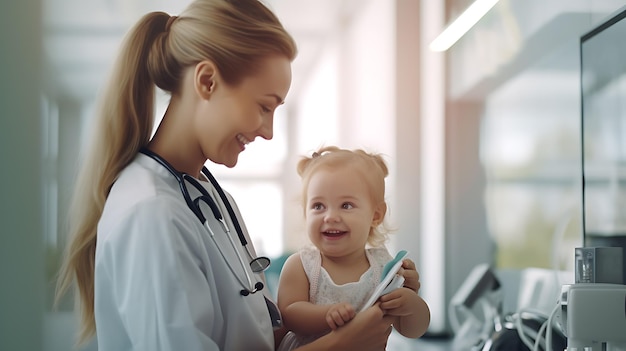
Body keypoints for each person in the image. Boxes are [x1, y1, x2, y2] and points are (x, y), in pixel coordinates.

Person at [54, 1, 400, 350]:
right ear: (207, 81)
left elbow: (255, 333)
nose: (268, 132)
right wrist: (343, 343)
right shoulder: (152, 213)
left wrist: (373, 294)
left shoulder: (211, 195)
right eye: (264, 107)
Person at [276, 146, 431, 350]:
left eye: (346, 205)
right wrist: (327, 315)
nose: (330, 216)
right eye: (318, 206)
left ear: (376, 215)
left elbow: (412, 331)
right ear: (306, 213)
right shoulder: (302, 265)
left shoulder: (382, 267)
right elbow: (288, 315)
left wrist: (411, 304)